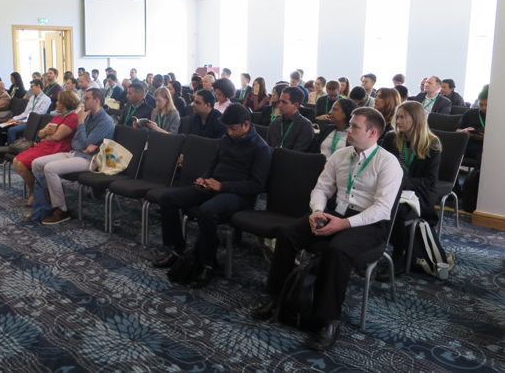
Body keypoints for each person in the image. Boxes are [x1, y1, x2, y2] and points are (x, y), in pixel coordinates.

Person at [251, 107, 402, 352]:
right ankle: (275, 297)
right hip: (335, 212)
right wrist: (318, 211)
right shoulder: (340, 155)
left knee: (338, 250)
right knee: (287, 234)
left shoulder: (388, 163)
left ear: (372, 133)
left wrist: (344, 224)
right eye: (350, 125)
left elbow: (382, 209)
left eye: (355, 127)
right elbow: (321, 188)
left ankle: (329, 320)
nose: (348, 130)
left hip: (368, 223)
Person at [153, 104, 271, 288]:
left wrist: (222, 185)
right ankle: (178, 249)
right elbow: (213, 165)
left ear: (246, 124)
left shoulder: (260, 148)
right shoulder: (226, 139)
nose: (229, 132)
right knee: (168, 199)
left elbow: (256, 186)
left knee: (207, 211)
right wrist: (204, 179)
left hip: (238, 195)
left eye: (233, 128)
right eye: (227, 128)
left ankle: (207, 263)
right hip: (213, 186)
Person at [377, 101, 441, 281]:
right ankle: (371, 247)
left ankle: (399, 255)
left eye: (402, 117)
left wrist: (401, 183)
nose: (397, 121)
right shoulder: (391, 138)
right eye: (397, 117)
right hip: (392, 188)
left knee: (397, 211)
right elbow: (380, 166)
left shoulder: (431, 144)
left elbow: (430, 181)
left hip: (418, 193)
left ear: (416, 119)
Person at [32, 88, 115, 224]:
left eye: (86, 98)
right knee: (36, 163)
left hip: (91, 160)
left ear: (96, 101)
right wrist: (84, 146)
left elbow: (86, 142)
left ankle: (61, 210)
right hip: (77, 153)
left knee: (50, 168)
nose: (83, 101)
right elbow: (75, 142)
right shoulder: (89, 117)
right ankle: (48, 198)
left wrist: (80, 121)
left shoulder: (105, 121)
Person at [15, 91, 80, 206]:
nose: (56, 103)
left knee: (21, 165)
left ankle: (36, 193)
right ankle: (40, 189)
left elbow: (56, 137)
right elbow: (40, 133)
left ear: (64, 104)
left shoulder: (72, 117)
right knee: (16, 161)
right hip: (46, 145)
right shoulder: (58, 116)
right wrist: (46, 133)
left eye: (58, 101)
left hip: (59, 148)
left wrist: (47, 134)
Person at [0, 79, 51, 147]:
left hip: (32, 123)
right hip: (24, 120)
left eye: (32, 86)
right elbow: (25, 113)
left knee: (11, 130)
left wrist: (23, 121)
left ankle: (9, 151)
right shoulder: (32, 98)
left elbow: (38, 116)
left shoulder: (46, 99)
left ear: (38, 86)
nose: (30, 89)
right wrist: (14, 119)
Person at [266, 86, 314, 151]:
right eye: (280, 101)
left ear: (296, 105)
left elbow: (298, 153)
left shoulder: (305, 126)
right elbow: (267, 149)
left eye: (284, 102)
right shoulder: (274, 123)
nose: (280, 105)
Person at [458, 86, 487, 162]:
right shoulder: (470, 113)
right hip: (468, 144)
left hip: (485, 146)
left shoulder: (498, 116)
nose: (483, 107)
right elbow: (457, 130)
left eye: (486, 104)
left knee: (482, 156)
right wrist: (465, 131)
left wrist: (486, 138)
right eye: (481, 104)